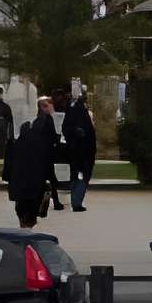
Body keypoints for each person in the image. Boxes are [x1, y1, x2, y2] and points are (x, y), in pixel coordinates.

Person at [5, 96, 60, 229]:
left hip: (21, 185)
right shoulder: (41, 141)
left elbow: (9, 165)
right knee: (30, 210)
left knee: (23, 209)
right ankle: (27, 226)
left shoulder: (19, 144)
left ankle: (25, 226)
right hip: (33, 184)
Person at [61, 85, 99, 213]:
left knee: (83, 175)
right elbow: (67, 127)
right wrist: (76, 133)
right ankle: (76, 202)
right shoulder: (74, 109)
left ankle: (77, 201)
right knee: (80, 175)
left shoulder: (81, 108)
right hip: (79, 149)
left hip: (85, 149)